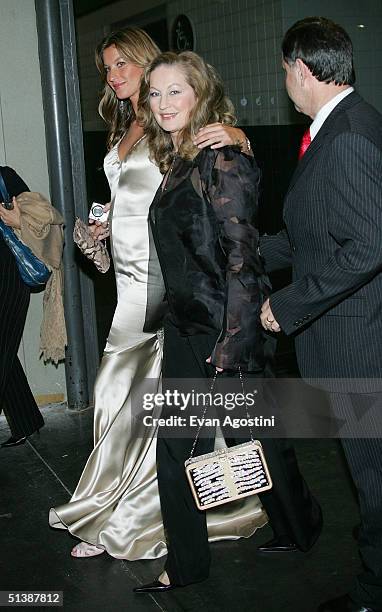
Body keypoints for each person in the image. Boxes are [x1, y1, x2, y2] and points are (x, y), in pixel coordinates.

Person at [49, 27, 265, 561]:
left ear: (147, 64)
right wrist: (100, 235)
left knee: (132, 399)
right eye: (106, 67)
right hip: (125, 277)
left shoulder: (173, 124)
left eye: (123, 63)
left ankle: (130, 517)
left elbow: (220, 168)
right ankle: (116, 506)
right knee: (126, 402)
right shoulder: (128, 125)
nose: (114, 74)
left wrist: (237, 138)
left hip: (161, 284)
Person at [134, 49, 321, 593]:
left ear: (200, 94)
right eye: (156, 93)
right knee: (177, 445)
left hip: (224, 326)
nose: (164, 103)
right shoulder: (179, 159)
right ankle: (188, 565)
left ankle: (302, 523)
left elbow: (243, 259)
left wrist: (232, 343)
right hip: (186, 326)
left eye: (176, 91)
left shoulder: (222, 159)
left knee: (254, 437)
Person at [259, 17, 382, 612]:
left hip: (359, 340)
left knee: (374, 477)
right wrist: (244, 250)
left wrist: (289, 303)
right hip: (353, 334)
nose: (286, 80)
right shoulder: (342, 126)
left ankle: (373, 591)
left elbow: (368, 245)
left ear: (301, 69)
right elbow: (315, 238)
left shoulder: (350, 135)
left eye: (286, 70)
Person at [0, 167, 45, 448]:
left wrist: (18, 221)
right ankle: (26, 420)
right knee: (4, 351)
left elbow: (40, 216)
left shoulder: (4, 178)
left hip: (8, 278)